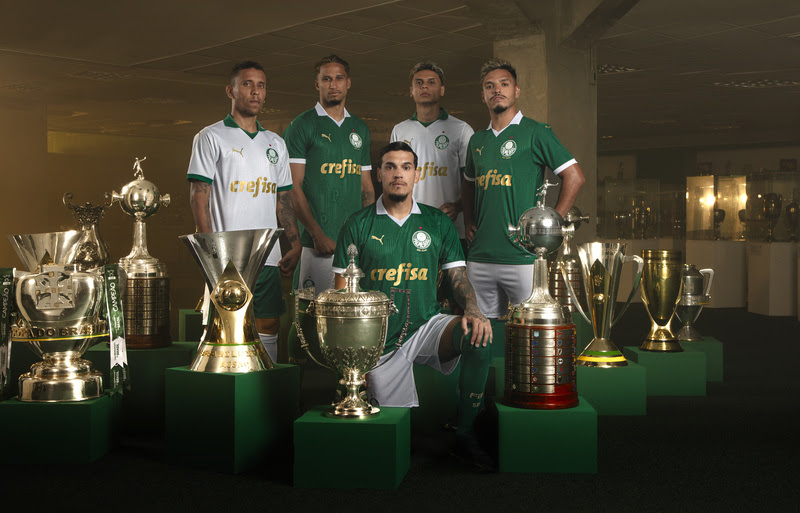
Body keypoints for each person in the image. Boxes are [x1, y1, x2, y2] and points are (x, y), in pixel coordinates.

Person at [332, 141, 494, 470]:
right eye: (390, 166)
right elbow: (341, 297)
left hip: (426, 325)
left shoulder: (437, 223)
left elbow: (458, 277)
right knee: (384, 447)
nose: (398, 174)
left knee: (478, 335)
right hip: (377, 341)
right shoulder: (357, 224)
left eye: (406, 167)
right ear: (379, 174)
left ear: (416, 175)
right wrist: (353, 361)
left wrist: (473, 309)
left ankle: (464, 435)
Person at [187, 60, 300, 363]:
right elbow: (199, 194)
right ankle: (227, 382)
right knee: (226, 328)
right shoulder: (210, 136)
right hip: (226, 255)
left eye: (261, 85)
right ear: (231, 91)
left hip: (267, 254)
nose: (255, 91)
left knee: (269, 324)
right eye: (247, 84)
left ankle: (265, 382)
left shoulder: (275, 142)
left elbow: (283, 198)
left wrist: (295, 242)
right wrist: (208, 246)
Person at [462, 59, 585, 320]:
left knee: (530, 331)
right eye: (489, 86)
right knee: (481, 334)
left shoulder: (536, 132)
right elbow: (468, 183)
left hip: (523, 256)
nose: (497, 90)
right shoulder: (477, 140)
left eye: (504, 84)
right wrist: (469, 221)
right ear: (483, 96)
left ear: (516, 91)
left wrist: (553, 225)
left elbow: (574, 176)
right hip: (480, 256)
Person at [282, 54, 374, 372]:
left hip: (352, 248)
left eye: (338, 78)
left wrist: (369, 234)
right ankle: (299, 388)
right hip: (315, 246)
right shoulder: (302, 125)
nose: (333, 84)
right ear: (317, 84)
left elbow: (366, 188)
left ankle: (342, 387)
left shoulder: (359, 128)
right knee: (307, 321)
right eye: (326, 78)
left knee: (346, 323)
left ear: (348, 83)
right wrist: (316, 234)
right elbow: (292, 188)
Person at [390, 61, 474, 314]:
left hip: (452, 231)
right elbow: (393, 181)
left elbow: (471, 182)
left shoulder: (461, 130)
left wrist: (459, 207)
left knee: (455, 302)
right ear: (411, 91)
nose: (424, 87)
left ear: (442, 89)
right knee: (414, 300)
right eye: (419, 83)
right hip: (410, 229)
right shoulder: (400, 130)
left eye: (431, 82)